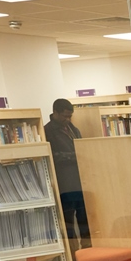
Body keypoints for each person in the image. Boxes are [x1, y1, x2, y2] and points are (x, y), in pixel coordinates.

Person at [44, 98, 90, 244]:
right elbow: (53, 156)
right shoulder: (47, 131)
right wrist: (75, 156)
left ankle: (88, 246)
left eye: (70, 116)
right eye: (65, 116)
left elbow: (82, 147)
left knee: (84, 216)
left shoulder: (73, 129)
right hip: (64, 183)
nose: (68, 119)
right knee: (68, 218)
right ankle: (73, 250)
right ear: (55, 113)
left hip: (79, 180)